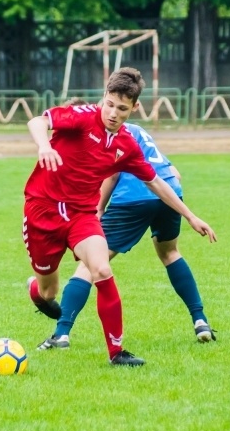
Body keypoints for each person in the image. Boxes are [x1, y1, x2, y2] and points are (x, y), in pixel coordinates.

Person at [23, 67, 216, 367]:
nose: (113, 113)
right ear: (104, 97)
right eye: (110, 104)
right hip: (43, 210)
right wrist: (44, 145)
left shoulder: (126, 144)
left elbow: (155, 182)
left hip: (82, 215)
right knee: (49, 290)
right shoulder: (82, 116)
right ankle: (37, 292)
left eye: (122, 108)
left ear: (134, 107)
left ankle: (116, 352)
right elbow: (37, 121)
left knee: (101, 269)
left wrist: (190, 216)